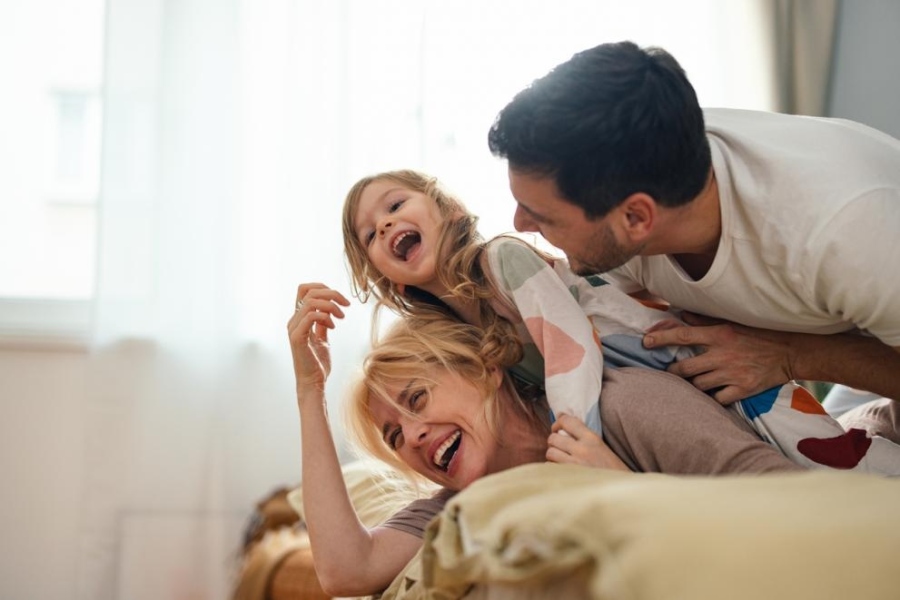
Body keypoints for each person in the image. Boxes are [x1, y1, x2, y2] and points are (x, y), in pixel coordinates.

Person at [341, 169, 900, 473]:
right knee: (787, 449)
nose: (385, 225)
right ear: (388, 278)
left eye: (395, 205)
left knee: (818, 451)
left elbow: (570, 347)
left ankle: (879, 481)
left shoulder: (502, 260)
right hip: (650, 375)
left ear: (449, 210)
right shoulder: (460, 328)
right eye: (369, 234)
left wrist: (572, 439)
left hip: (676, 350)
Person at [487, 40, 900, 435]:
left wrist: (791, 354)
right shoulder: (642, 160)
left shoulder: (845, 233)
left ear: (636, 217)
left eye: (542, 215)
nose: (519, 224)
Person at [288, 288, 803, 597]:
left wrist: (627, 493)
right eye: (395, 436)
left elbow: (793, 500)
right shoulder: (457, 511)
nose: (414, 436)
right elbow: (344, 571)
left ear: (485, 368)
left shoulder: (623, 405)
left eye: (417, 399)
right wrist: (310, 391)